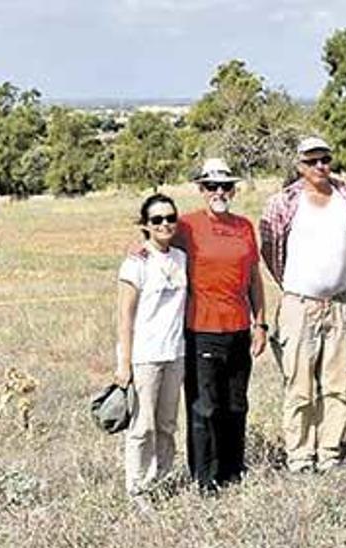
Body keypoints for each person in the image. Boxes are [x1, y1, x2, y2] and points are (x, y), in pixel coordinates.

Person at [260, 137, 346, 473]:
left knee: (336, 384)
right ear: (299, 166)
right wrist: (295, 286)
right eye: (312, 161)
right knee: (299, 384)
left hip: (338, 303)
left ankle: (330, 452)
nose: (320, 166)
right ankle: (300, 455)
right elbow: (270, 248)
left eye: (325, 159)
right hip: (299, 304)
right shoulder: (283, 202)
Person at [180, 158, 267, 493]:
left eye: (226, 186)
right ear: (201, 190)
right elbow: (154, 242)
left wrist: (260, 323)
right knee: (205, 407)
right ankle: (204, 477)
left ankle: (233, 470)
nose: (219, 192)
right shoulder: (186, 226)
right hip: (201, 329)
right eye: (212, 186)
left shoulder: (244, 226)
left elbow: (254, 279)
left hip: (238, 329)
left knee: (236, 403)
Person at [115, 193, 186, 505]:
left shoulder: (182, 258)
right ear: (145, 225)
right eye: (156, 220)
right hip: (145, 357)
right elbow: (124, 317)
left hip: (176, 354)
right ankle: (138, 489)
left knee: (167, 425)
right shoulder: (136, 263)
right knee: (142, 427)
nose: (164, 224)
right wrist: (124, 363)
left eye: (170, 218)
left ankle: (163, 480)